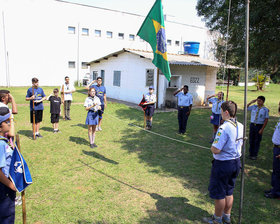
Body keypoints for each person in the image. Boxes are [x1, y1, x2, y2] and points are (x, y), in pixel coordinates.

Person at [203, 101, 243, 224]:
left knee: (219, 193)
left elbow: (216, 149)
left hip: (224, 164)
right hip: (236, 162)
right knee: (229, 191)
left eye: (221, 110)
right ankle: (227, 216)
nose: (220, 113)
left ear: (226, 112)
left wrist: (212, 149)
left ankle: (217, 219)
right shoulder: (240, 125)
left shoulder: (224, 127)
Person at [0, 107, 17, 224]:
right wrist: (11, 185)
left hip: (5, 183)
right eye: (7, 122)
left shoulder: (3, 141)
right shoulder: (1, 144)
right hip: (4, 187)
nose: (9, 124)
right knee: (7, 216)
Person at [264, 101, 280, 199]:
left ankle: (276, 192)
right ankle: (274, 188)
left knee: (278, 172)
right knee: (275, 170)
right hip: (276, 148)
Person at [247, 96, 269, 160]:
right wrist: (251, 102)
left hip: (259, 126)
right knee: (251, 140)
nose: (258, 102)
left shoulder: (265, 109)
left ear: (263, 102)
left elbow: (266, 119)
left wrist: (262, 129)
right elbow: (246, 108)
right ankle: (250, 154)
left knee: (257, 141)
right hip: (252, 125)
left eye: (260, 101)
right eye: (257, 100)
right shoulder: (254, 107)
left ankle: (254, 155)